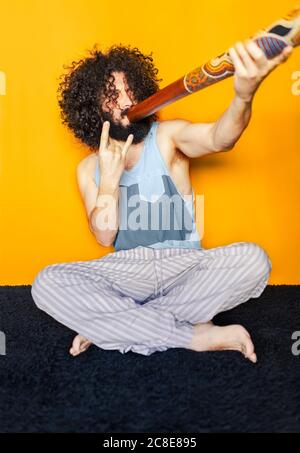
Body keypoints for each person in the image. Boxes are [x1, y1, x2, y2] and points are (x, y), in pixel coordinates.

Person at [31, 42, 293, 362]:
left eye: (131, 90)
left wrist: (243, 95)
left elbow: (220, 138)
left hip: (184, 265)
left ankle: (116, 327)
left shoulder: (168, 136)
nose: (128, 101)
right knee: (46, 283)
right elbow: (104, 236)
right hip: (128, 273)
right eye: (114, 95)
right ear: (93, 107)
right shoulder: (88, 168)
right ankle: (192, 334)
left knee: (254, 260)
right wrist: (110, 180)